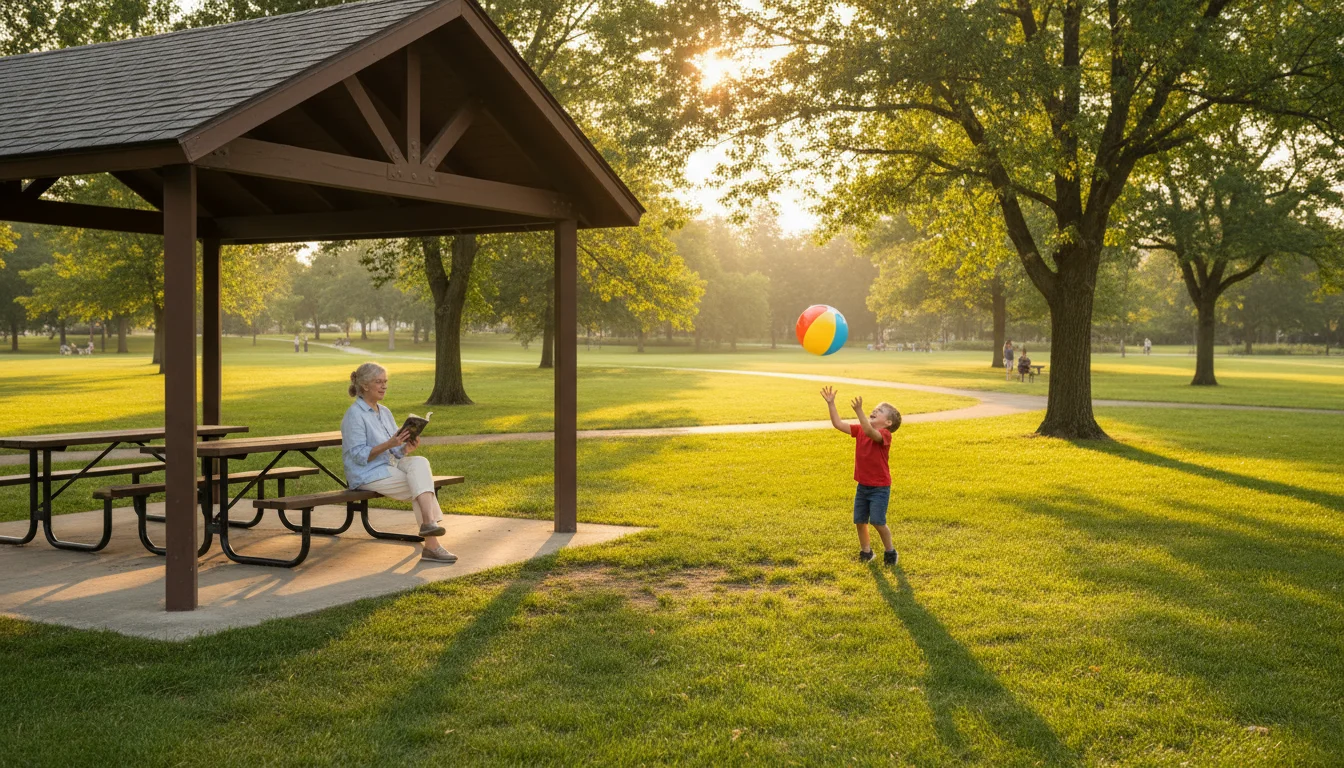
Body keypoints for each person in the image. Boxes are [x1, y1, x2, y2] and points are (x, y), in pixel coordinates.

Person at [341, 362, 457, 563]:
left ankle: (429, 526)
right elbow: (359, 456)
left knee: (419, 462)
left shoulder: (384, 411)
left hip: (388, 466)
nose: (384, 386)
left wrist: (405, 448)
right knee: (420, 486)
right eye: (379, 382)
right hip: (366, 474)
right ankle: (431, 543)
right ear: (365, 385)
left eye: (385, 381)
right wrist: (389, 444)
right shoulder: (354, 415)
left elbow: (396, 451)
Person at [821, 386, 901, 565]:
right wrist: (831, 403)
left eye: (879, 411)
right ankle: (866, 552)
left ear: (888, 423)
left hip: (879, 487)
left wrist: (859, 412)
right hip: (863, 485)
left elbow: (871, 433)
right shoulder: (860, 430)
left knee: (878, 521)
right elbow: (838, 424)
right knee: (860, 520)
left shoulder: (884, 434)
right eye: (874, 409)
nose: (874, 411)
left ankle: (890, 552)